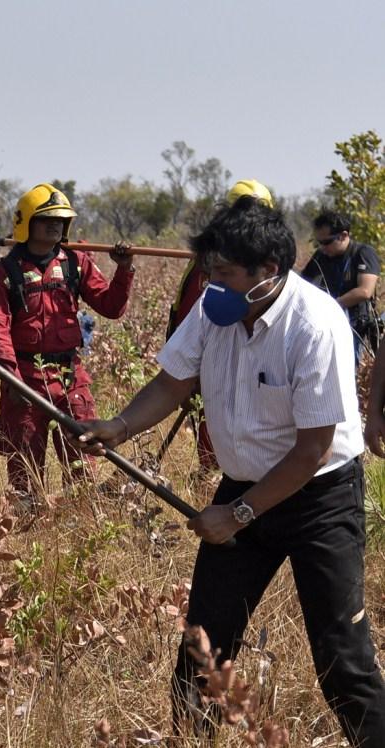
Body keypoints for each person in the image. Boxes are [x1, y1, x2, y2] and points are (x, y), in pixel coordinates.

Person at [79, 197, 385, 745]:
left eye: (223, 272)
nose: (212, 283)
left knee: (342, 659)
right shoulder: (215, 308)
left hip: (318, 497)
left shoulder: (316, 324)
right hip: (242, 487)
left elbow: (312, 448)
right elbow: (174, 382)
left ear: (267, 272)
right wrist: (120, 427)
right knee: (204, 644)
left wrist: (237, 516)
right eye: (210, 271)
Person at [0, 183, 134, 496]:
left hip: (70, 377)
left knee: (82, 458)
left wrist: (124, 270)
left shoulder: (76, 263)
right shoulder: (7, 272)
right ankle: (28, 523)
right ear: (26, 222)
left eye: (61, 219)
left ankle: (77, 516)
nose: (56, 224)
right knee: (24, 465)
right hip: (25, 378)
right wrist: (11, 380)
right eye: (47, 218)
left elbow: (111, 307)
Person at [166, 179, 275, 471]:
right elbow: (191, 316)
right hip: (215, 369)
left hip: (262, 375)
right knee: (214, 449)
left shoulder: (277, 271)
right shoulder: (210, 265)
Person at [301, 208, 380, 362]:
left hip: (356, 326)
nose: (322, 247)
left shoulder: (363, 253)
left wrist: (331, 305)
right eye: (319, 243)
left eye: (327, 242)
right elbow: (303, 283)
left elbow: (365, 291)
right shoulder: (321, 256)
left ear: (344, 235)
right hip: (327, 324)